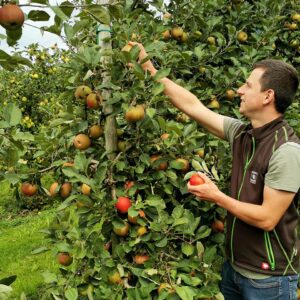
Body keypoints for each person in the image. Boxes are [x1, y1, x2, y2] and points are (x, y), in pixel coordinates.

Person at [129, 41, 300, 299]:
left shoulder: (286, 151)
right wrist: (150, 69)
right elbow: (193, 106)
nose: (239, 90)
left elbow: (267, 218)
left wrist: (216, 195)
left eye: (248, 85)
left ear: (268, 96)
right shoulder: (243, 134)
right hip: (235, 269)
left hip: (269, 280)